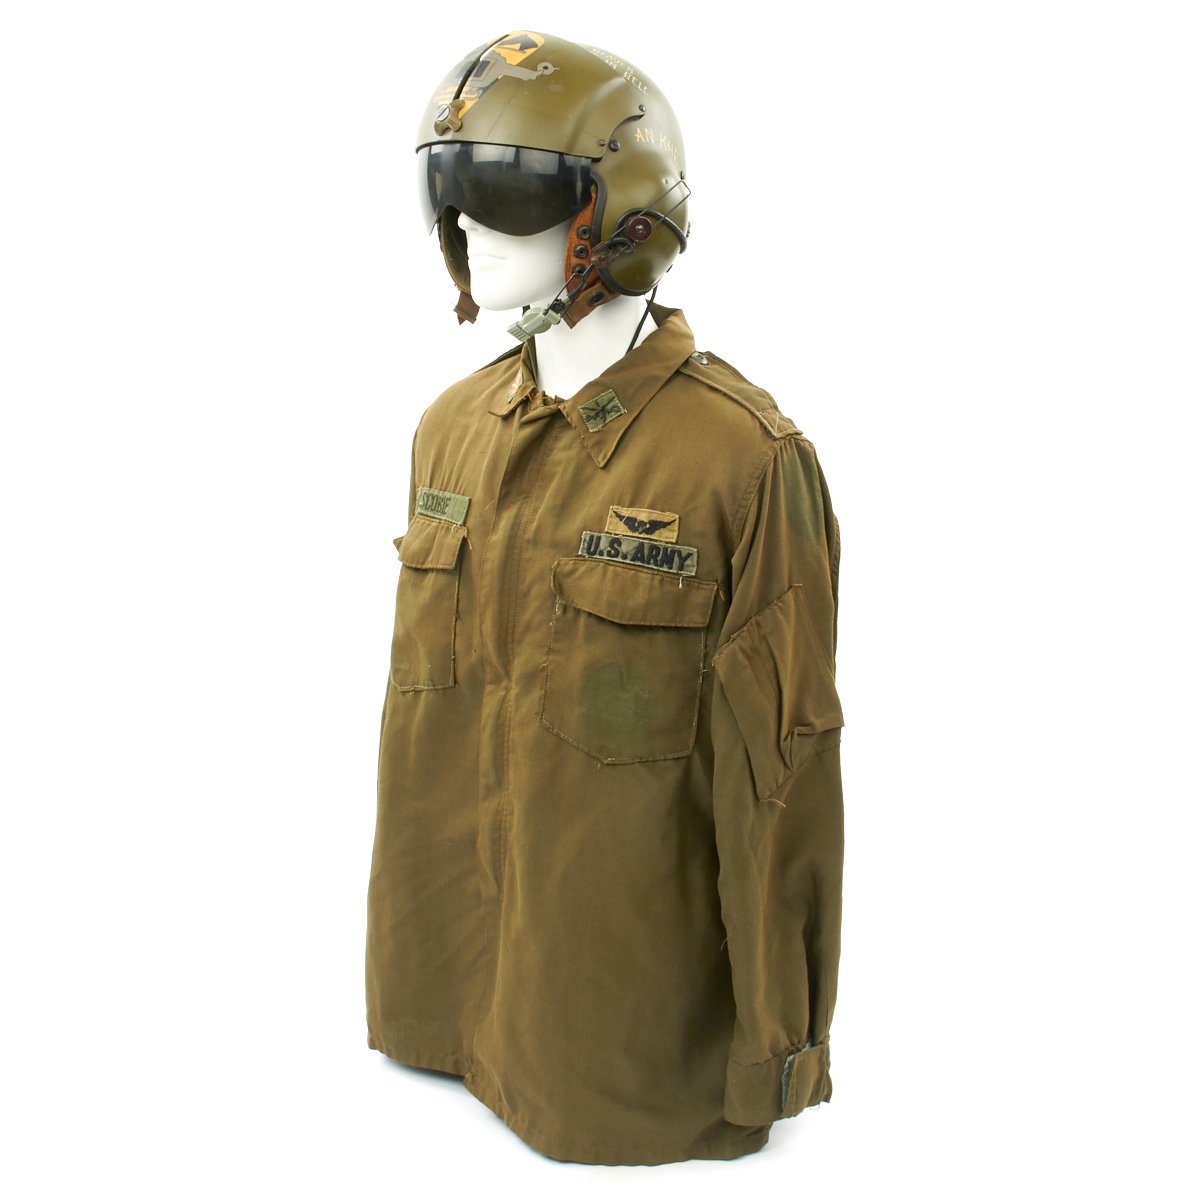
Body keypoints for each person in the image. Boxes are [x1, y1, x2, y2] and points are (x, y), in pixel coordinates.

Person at [366, 30, 846, 1167]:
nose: (470, 227)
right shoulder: (451, 429)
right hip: (436, 1013)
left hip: (621, 1061)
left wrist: (779, 1054)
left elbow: (783, 782)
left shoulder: (741, 463)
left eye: (506, 192)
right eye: (450, 190)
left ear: (623, 217)